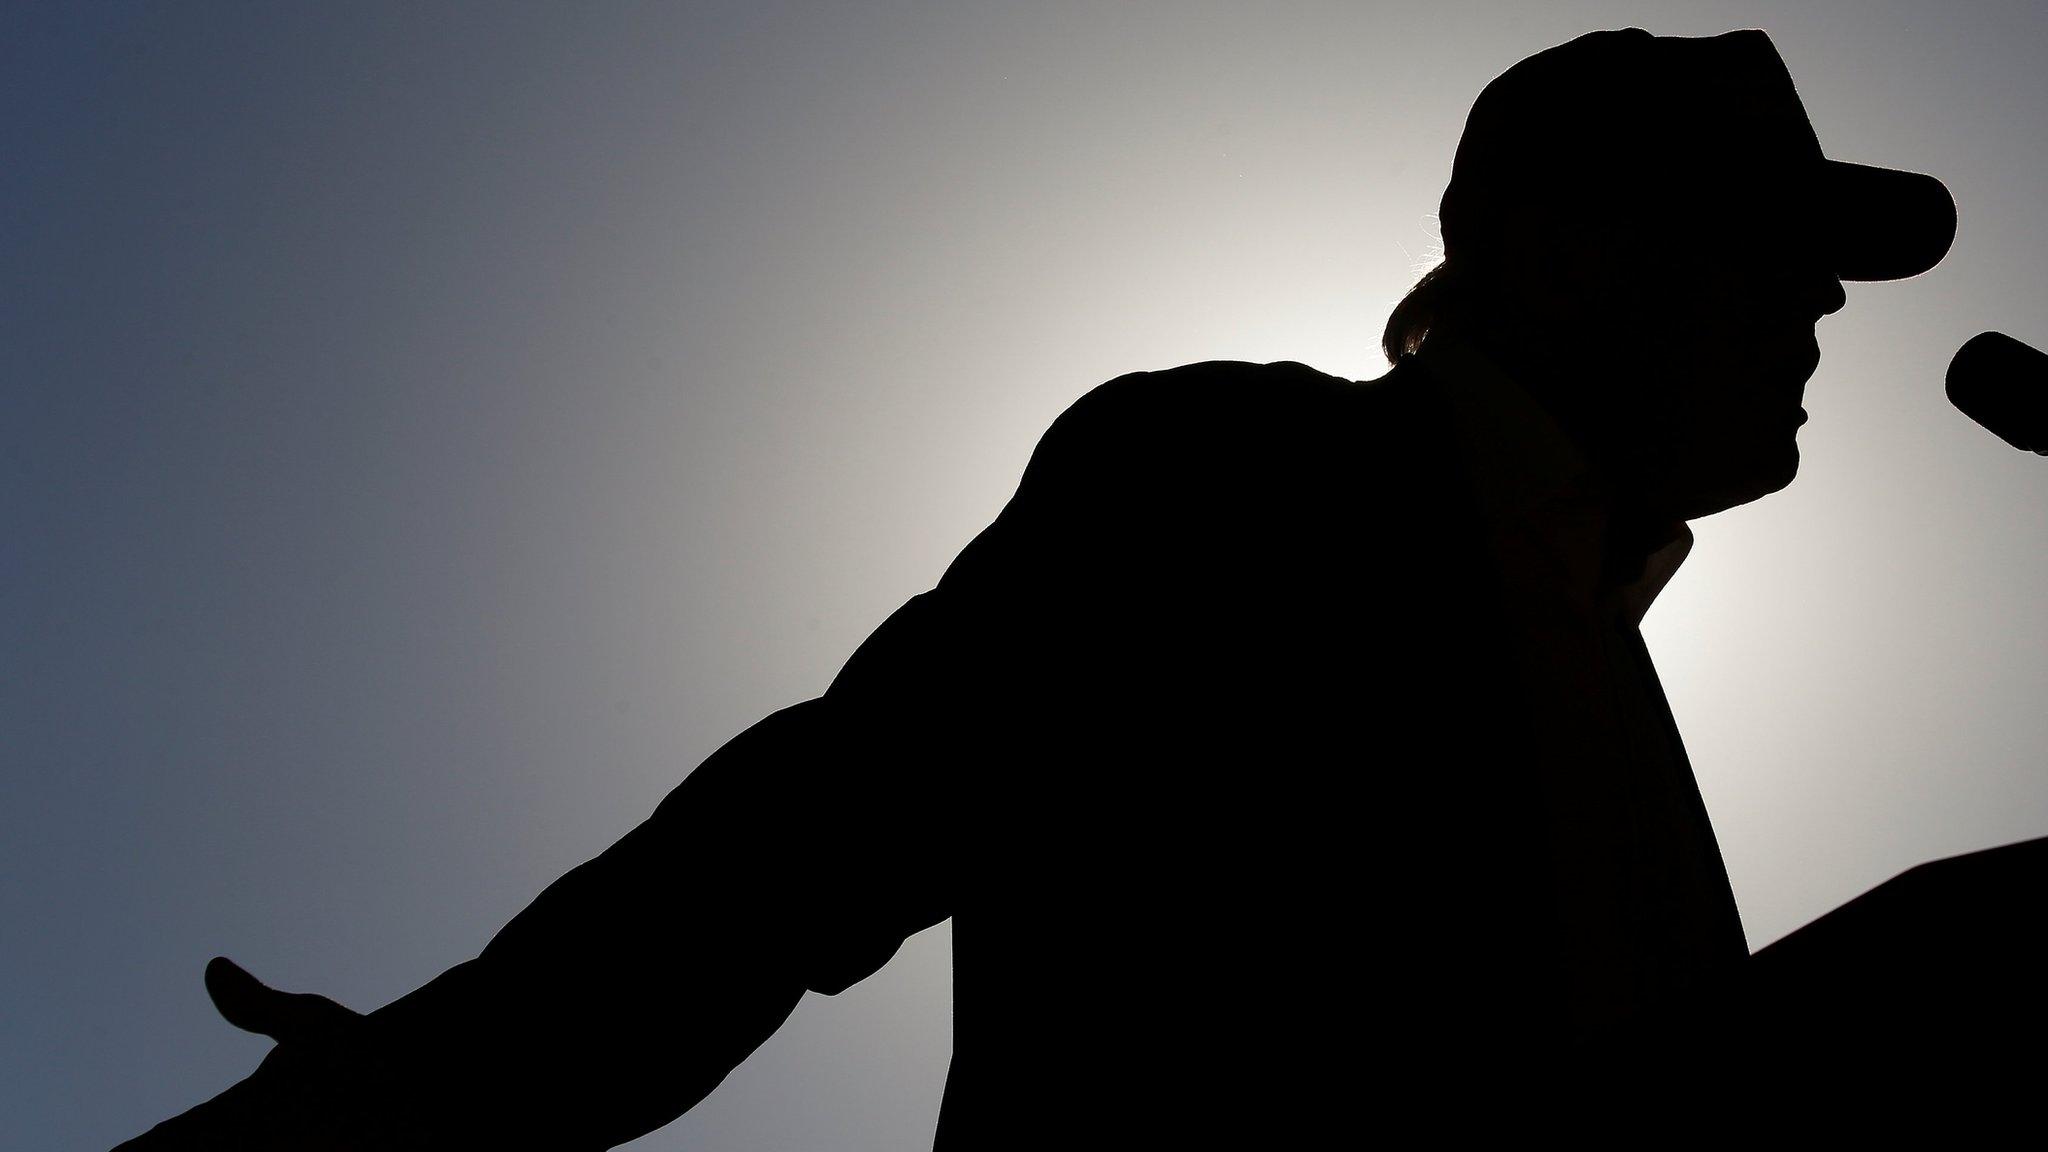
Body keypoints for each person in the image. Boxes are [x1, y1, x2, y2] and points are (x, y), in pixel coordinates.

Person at [119, 27, 2004, 1148]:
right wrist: (399, 1117)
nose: (1820, 305)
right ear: (1569, 257)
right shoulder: (1250, 479)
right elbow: (822, 825)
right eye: (1763, 250)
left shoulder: (1593, 629)